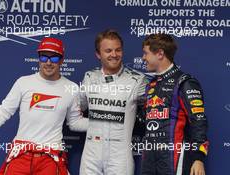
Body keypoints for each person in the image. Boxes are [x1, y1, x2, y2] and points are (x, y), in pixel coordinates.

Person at [0, 37, 88, 175]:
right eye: (44, 58)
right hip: (21, 154)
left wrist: (105, 122)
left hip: (50, 157)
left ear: (61, 60)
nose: (48, 63)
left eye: (54, 58)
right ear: (39, 58)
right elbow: (2, 112)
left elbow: (75, 122)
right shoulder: (23, 83)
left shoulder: (71, 88)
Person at [79, 29, 148, 175]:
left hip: (120, 156)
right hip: (91, 153)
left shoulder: (137, 80)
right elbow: (78, 109)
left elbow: (154, 109)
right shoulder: (89, 77)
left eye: (118, 50)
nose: (114, 55)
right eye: (108, 50)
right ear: (98, 54)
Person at [140, 33, 209, 175]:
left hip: (173, 158)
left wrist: (198, 158)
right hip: (149, 158)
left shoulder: (185, 82)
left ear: (159, 54)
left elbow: (198, 121)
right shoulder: (151, 84)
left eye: (146, 53)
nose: (143, 58)